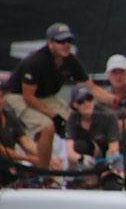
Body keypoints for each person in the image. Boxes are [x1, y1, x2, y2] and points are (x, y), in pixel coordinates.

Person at [2, 22, 115, 169]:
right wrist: (53, 115)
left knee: (73, 121)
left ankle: (77, 165)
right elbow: (28, 97)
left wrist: (116, 100)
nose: (66, 45)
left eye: (69, 41)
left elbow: (91, 87)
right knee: (47, 126)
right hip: (18, 95)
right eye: (61, 41)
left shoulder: (70, 60)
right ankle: (43, 172)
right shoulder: (35, 62)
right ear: (50, 43)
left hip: (44, 96)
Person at [65, 85, 122, 189]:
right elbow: (69, 152)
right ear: (74, 104)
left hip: (107, 162)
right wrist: (81, 159)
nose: (87, 103)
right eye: (81, 101)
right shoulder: (72, 118)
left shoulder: (109, 116)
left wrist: (111, 155)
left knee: (112, 185)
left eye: (89, 98)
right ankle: (85, 180)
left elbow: (114, 147)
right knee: (79, 146)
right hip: (84, 163)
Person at [0, 87, 48, 185]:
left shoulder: (10, 117)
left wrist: (46, 157)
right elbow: (3, 151)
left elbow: (26, 142)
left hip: (11, 166)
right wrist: (29, 159)